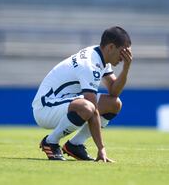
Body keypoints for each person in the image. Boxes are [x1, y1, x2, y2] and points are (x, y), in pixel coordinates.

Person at [32, 26, 132, 162]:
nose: (124, 57)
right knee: (88, 107)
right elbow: (93, 109)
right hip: (45, 108)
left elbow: (114, 91)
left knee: (114, 104)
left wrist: (126, 68)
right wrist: (101, 148)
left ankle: (75, 145)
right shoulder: (90, 65)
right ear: (111, 47)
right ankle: (51, 141)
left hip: (62, 101)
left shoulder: (100, 55)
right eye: (123, 52)